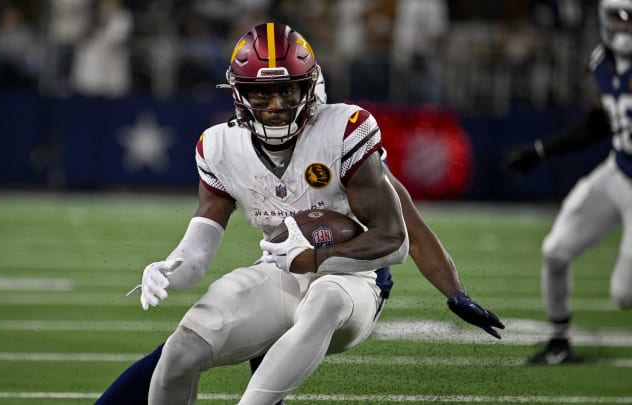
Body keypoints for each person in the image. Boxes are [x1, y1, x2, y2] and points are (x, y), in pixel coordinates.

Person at [118, 23, 503, 405]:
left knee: (326, 298)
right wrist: (170, 266)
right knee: (181, 350)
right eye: (261, 93)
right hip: (281, 271)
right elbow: (199, 248)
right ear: (239, 93)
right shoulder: (220, 145)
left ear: (309, 87)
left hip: (355, 280)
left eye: (286, 91)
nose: (275, 106)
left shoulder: (342, 131)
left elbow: (398, 238)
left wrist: (454, 292)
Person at [502, 0, 632, 365]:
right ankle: (559, 341)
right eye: (616, 18)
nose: (623, 26)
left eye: (630, 18)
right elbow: (599, 122)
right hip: (618, 170)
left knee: (624, 295)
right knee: (555, 251)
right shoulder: (602, 61)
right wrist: (541, 151)